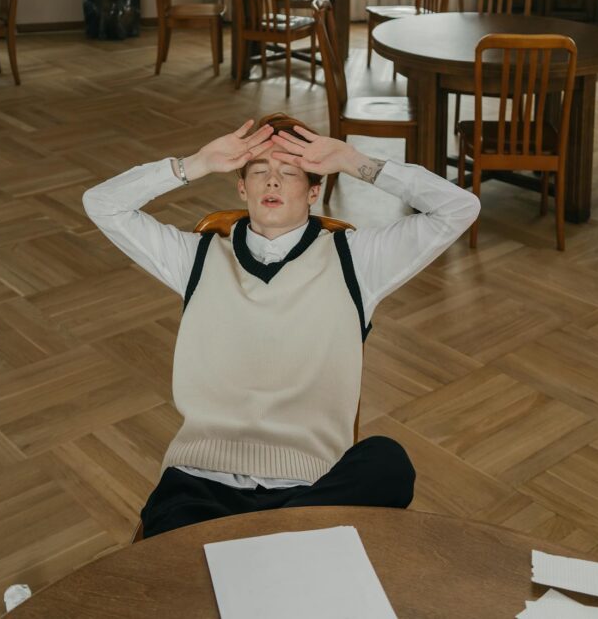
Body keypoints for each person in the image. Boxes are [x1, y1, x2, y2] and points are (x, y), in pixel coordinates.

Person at [82, 113, 480, 539]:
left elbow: (459, 208)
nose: (271, 182)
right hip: (201, 481)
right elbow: (102, 203)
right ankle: (284, 545)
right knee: (183, 540)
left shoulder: (357, 259)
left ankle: (262, 544)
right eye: (258, 172)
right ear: (242, 188)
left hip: (311, 485)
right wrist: (196, 163)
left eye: (288, 172)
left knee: (388, 461)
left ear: (313, 191)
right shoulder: (194, 257)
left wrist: (352, 160)